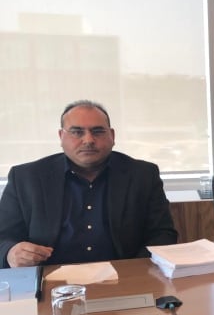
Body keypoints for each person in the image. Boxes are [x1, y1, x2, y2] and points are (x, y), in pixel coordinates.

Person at [0, 100, 177, 268]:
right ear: (61, 136)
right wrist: (10, 253)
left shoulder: (142, 175)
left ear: (112, 136)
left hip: (124, 280)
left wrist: (134, 272)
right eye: (77, 132)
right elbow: (4, 237)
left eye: (98, 131)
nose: (88, 140)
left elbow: (162, 235)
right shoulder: (26, 178)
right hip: (49, 283)